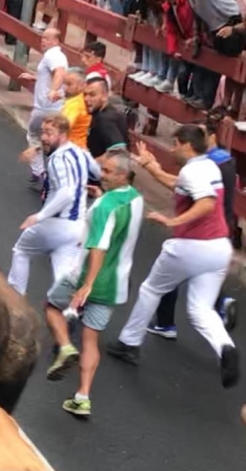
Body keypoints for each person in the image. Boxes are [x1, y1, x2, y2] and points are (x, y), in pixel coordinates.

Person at [108, 125, 240, 389]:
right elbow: (177, 183)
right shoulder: (207, 167)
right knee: (200, 309)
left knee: (151, 288)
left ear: (187, 145)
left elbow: (206, 203)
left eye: (175, 144)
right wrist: (151, 166)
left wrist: (173, 221)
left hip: (191, 246)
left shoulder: (193, 170)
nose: (172, 148)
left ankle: (129, 343)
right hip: (219, 249)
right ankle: (226, 348)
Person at [46, 150, 143, 417]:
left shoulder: (104, 207)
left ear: (123, 175)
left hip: (86, 275)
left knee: (53, 307)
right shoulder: (135, 199)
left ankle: (65, 346)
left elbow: (98, 248)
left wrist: (87, 284)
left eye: (108, 172)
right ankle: (82, 396)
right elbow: (117, 215)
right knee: (91, 340)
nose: (102, 174)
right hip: (117, 284)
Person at [144, 115, 238, 337]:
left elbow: (195, 196)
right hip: (221, 228)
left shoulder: (204, 165)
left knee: (170, 275)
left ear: (212, 137)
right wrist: (153, 168)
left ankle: (164, 323)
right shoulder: (225, 162)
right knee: (200, 276)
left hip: (198, 230)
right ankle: (220, 304)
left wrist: (173, 221)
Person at [8, 114, 100, 296]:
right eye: (43, 132)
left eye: (49, 133)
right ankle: (68, 314)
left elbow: (66, 192)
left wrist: (38, 217)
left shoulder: (57, 159)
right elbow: (97, 173)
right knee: (61, 285)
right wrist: (86, 184)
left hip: (56, 224)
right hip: (78, 228)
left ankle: (15, 297)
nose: (43, 138)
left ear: (63, 135)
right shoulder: (81, 152)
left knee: (21, 250)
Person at [18, 28, 68, 185]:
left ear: (56, 41)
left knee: (34, 134)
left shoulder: (53, 55)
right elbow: (50, 75)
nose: (43, 41)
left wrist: (53, 90)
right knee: (50, 138)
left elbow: (59, 73)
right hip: (52, 105)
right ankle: (47, 171)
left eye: (47, 38)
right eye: (42, 38)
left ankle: (39, 171)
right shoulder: (58, 56)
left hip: (45, 106)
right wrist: (35, 78)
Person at [84, 77, 128, 160]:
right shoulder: (103, 114)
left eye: (92, 95)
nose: (86, 99)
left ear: (104, 96)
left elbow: (118, 150)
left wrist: (91, 163)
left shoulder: (105, 119)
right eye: (85, 94)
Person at [61, 67, 91, 149]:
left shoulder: (75, 104)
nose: (65, 88)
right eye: (64, 83)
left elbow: (62, 127)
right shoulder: (85, 99)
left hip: (70, 148)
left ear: (82, 85)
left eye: (69, 84)